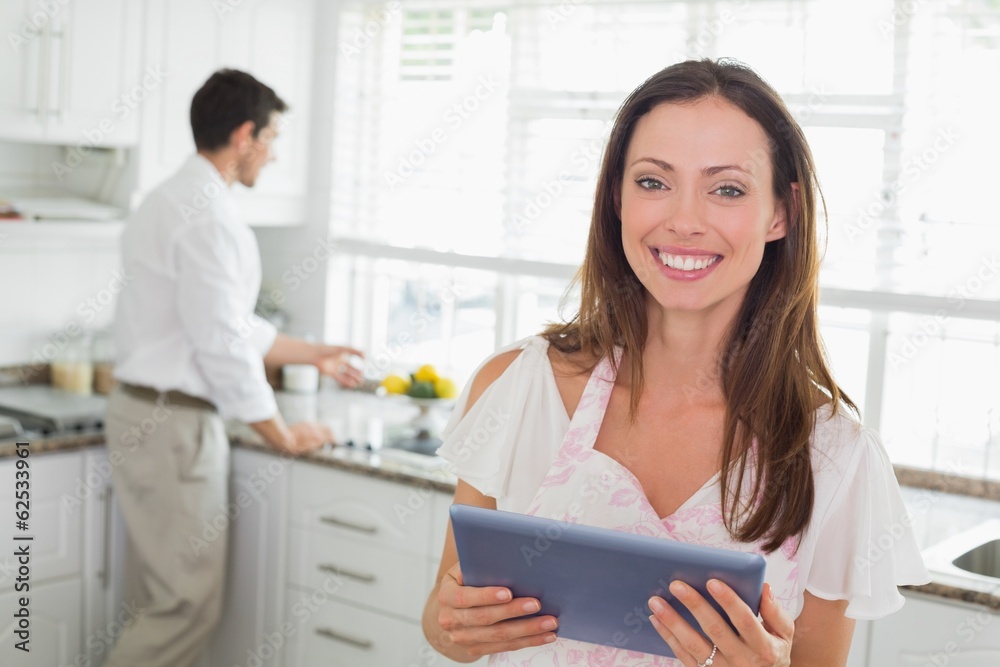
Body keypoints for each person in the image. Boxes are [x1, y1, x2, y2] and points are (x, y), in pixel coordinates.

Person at [422, 59, 929, 666]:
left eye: (727, 189)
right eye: (653, 182)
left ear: (781, 213)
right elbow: (442, 622)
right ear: (616, 196)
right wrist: (452, 627)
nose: (684, 221)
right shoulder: (517, 387)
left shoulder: (836, 459)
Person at [104, 69, 363, 667]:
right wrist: (280, 431)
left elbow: (220, 323)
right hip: (175, 427)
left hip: (145, 413)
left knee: (161, 601)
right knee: (183, 607)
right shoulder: (209, 217)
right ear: (245, 135)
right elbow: (219, 340)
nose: (271, 157)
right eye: (271, 138)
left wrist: (312, 353)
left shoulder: (169, 199)